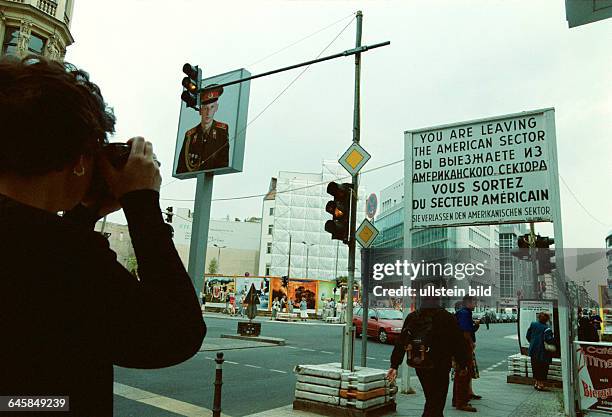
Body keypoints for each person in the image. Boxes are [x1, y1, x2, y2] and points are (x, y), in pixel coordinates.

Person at [0, 56, 206, 416]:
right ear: (80, 157)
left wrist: (86, 212)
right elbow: (178, 333)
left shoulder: (46, 245)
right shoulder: (63, 251)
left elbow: (51, 308)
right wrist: (141, 202)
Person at [387, 283, 469, 417]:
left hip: (421, 364)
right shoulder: (447, 317)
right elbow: (458, 342)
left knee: (431, 398)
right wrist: (463, 363)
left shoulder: (413, 317)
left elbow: (402, 341)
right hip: (441, 366)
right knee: (436, 400)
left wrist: (394, 365)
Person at [176, 84, 229, 174]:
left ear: (216, 108)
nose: (208, 112)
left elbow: (224, 163)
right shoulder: (190, 135)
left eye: (211, 107)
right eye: (205, 108)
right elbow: (181, 168)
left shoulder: (222, 131)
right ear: (200, 111)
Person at [452, 295, 480, 412]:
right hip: (463, 348)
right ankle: (462, 402)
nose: (476, 304)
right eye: (474, 302)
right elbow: (465, 332)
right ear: (468, 302)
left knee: (461, 373)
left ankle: (457, 400)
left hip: (460, 347)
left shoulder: (464, 312)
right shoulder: (464, 313)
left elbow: (469, 329)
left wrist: (476, 326)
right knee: (464, 373)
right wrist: (470, 344)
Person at [526, 312, 555, 391]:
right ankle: (541, 384)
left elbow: (528, 336)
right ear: (547, 320)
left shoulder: (533, 324)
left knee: (535, 367)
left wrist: (532, 342)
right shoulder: (547, 328)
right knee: (543, 367)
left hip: (533, 350)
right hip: (543, 352)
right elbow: (549, 340)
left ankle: (536, 383)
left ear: (538, 318)